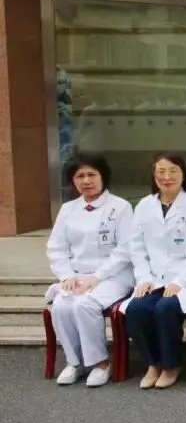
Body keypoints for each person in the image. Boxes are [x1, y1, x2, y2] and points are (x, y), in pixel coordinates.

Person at [46, 153, 135, 387]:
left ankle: (100, 363)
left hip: (114, 275)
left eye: (92, 174)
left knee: (84, 305)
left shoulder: (120, 207)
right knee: (61, 305)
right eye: (80, 176)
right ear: (73, 181)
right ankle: (75, 362)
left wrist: (97, 277)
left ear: (103, 177)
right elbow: (57, 248)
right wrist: (67, 276)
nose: (86, 181)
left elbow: (125, 250)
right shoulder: (68, 209)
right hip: (77, 276)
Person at [124, 153, 186, 390]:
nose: (166, 177)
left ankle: (171, 365)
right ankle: (153, 363)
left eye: (173, 171)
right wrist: (144, 278)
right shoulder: (144, 206)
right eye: (161, 171)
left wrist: (181, 281)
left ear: (183, 175)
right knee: (136, 309)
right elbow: (136, 247)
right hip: (153, 277)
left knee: (165, 308)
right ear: (154, 175)